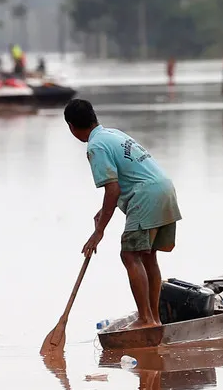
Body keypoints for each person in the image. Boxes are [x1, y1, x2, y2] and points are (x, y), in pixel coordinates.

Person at [64, 99, 182, 329]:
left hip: (146, 196)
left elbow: (113, 188)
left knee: (129, 255)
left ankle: (146, 319)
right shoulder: (112, 134)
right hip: (164, 189)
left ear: (71, 127)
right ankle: (154, 319)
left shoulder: (96, 146)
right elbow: (126, 178)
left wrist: (98, 232)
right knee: (147, 256)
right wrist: (104, 211)